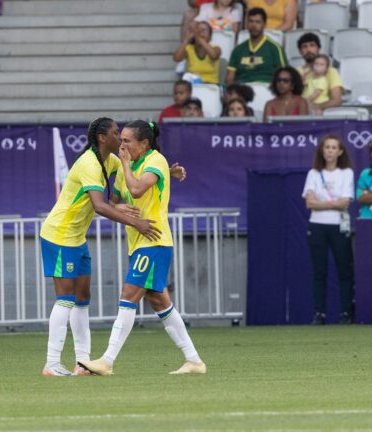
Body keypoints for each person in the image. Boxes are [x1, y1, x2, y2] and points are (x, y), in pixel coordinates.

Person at [82, 121, 206, 376]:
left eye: (128, 140)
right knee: (159, 301)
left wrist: (127, 166)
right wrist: (117, 206)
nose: (122, 145)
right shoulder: (131, 168)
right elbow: (112, 202)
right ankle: (194, 361)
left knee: (128, 295)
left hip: (154, 240)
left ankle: (107, 360)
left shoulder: (155, 160)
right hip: (138, 241)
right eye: (122, 139)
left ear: (144, 143)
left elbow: (137, 190)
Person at [302, 135, 355, 325]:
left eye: (334, 148)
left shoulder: (346, 173)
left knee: (344, 270)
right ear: (322, 151)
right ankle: (319, 313)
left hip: (338, 225)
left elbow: (346, 202)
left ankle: (346, 312)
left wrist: (321, 202)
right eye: (327, 147)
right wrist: (333, 203)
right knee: (319, 271)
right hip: (317, 224)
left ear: (340, 152)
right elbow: (309, 203)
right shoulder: (313, 174)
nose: (330, 151)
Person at [225, 8, 287, 85]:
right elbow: (229, 79)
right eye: (251, 21)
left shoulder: (275, 48)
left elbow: (284, 75)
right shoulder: (238, 50)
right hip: (242, 91)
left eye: (258, 22)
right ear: (246, 24)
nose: (254, 25)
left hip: (266, 90)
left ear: (264, 24)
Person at [297, 33, 342, 114]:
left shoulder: (331, 71)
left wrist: (314, 107)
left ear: (318, 48)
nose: (308, 49)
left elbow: (336, 101)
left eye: (312, 45)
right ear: (300, 51)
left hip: (323, 115)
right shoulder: (296, 72)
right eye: (304, 46)